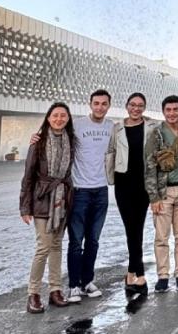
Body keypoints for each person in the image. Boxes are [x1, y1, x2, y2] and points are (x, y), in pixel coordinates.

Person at [20, 102, 75, 313]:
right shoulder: (38, 142)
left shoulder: (72, 141)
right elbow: (28, 176)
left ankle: (55, 290)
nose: (59, 119)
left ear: (68, 118)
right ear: (48, 118)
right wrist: (25, 207)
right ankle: (33, 294)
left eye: (63, 115)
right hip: (43, 199)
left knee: (57, 246)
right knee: (43, 247)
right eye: (55, 116)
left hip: (62, 201)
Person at [106, 92, 160, 296]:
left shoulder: (152, 126)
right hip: (124, 183)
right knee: (131, 228)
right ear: (126, 106)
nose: (136, 108)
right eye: (132, 105)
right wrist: (110, 177)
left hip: (144, 183)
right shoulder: (117, 128)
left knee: (137, 227)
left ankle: (132, 272)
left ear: (144, 108)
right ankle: (139, 273)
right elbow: (110, 152)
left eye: (140, 105)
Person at [66, 89, 112, 302]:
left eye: (104, 104)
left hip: (101, 190)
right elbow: (55, 132)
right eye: (96, 103)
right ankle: (74, 285)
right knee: (76, 241)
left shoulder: (112, 127)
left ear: (108, 106)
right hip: (80, 190)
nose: (100, 107)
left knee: (93, 240)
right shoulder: (77, 125)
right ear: (90, 104)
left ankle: (87, 282)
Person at [145, 95, 178, 293]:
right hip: (163, 191)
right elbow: (149, 165)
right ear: (163, 112)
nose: (172, 113)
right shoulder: (156, 133)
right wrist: (153, 197)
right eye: (168, 110)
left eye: (176, 109)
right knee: (161, 237)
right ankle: (163, 275)